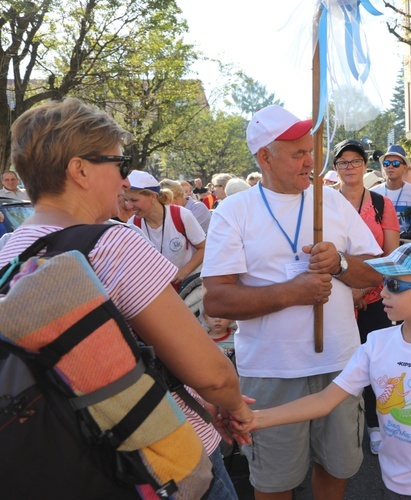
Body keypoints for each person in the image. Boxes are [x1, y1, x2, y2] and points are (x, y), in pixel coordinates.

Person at [1, 97, 253, 497]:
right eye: (118, 164)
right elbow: (211, 373)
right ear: (79, 169)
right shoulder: (113, 244)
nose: (124, 180)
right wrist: (234, 406)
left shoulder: (9, 252)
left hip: (81, 465)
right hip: (164, 465)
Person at [200, 104, 383, 500]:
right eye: (298, 152)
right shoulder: (234, 211)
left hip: (339, 364)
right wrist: (290, 293)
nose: (310, 160)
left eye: (311, 150)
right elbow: (216, 298)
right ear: (265, 156)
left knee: (336, 469)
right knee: (274, 481)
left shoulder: (331, 202)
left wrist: (340, 263)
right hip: (270, 373)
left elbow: (374, 273)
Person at [250, 242, 411, 499]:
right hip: (391, 482)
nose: (382, 292)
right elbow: (325, 400)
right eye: (384, 282)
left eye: (394, 286)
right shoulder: (376, 343)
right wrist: (255, 419)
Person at [331, 139, 400, 455]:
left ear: (365, 166)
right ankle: (340, 427)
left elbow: (391, 256)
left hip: (374, 298)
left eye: (355, 161)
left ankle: (375, 423)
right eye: (343, 162)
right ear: (335, 169)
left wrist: (362, 288)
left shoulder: (382, 205)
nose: (349, 167)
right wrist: (350, 289)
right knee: (340, 365)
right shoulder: (325, 204)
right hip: (336, 301)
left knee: (377, 365)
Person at [125, 171, 206, 288]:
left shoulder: (181, 215)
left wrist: (183, 272)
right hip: (155, 290)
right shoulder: (133, 224)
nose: (128, 206)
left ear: (152, 196)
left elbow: (203, 248)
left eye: (134, 200)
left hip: (186, 286)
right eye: (126, 200)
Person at [371, 144, 411, 238]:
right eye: (386, 163)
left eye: (396, 163)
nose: (390, 166)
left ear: (405, 168)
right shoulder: (372, 193)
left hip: (406, 245)